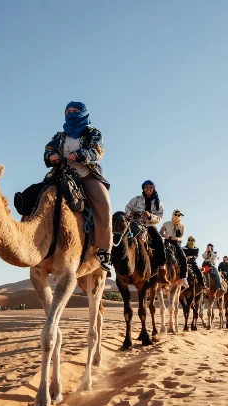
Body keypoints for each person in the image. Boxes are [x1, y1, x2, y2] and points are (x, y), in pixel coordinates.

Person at [44, 101, 112, 272]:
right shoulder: (60, 136)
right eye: (68, 111)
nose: (71, 113)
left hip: (86, 174)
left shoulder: (92, 132)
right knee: (37, 196)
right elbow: (48, 149)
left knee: (103, 204)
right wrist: (51, 156)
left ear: (83, 113)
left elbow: (97, 151)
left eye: (75, 111)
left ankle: (104, 250)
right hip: (60, 173)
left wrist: (79, 155)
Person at [125, 180, 167, 282]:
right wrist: (131, 213)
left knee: (160, 243)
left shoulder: (158, 203)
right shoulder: (136, 199)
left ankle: (162, 272)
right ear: (143, 189)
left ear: (154, 189)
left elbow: (159, 217)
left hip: (150, 226)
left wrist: (149, 216)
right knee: (121, 237)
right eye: (146, 187)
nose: (148, 189)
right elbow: (127, 208)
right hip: (135, 224)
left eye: (150, 187)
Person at [159, 209, 188, 287]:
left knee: (183, 258)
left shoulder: (182, 226)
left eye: (179, 215)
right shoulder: (166, 224)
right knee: (158, 254)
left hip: (176, 243)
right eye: (176, 214)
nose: (177, 216)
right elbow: (160, 232)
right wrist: (163, 235)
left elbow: (182, 237)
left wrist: (176, 238)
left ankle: (183, 278)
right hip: (167, 241)